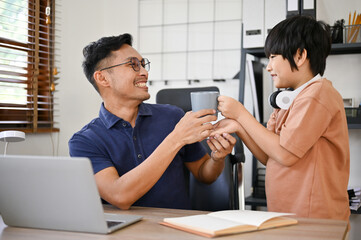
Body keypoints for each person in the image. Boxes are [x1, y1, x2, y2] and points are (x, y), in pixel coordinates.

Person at [68, 33, 236, 210]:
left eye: (142, 64)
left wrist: (217, 158)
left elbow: (204, 174)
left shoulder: (173, 116)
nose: (144, 72)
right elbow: (120, 195)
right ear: (102, 78)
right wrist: (176, 139)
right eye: (132, 65)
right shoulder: (84, 141)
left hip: (177, 228)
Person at [213, 15, 350, 224]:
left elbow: (285, 155)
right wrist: (239, 127)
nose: (268, 67)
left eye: (273, 56)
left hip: (315, 219)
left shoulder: (318, 94)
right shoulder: (290, 98)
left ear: (300, 56)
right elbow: (271, 156)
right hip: (287, 214)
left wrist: (241, 113)